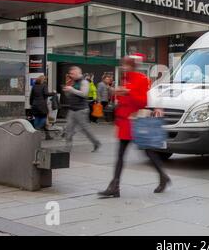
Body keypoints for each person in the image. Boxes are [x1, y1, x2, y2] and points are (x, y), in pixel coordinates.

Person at [99, 54, 171, 198]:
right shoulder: (126, 79)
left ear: (132, 65)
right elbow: (122, 100)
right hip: (125, 122)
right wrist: (118, 93)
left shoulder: (141, 79)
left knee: (148, 152)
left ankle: (162, 176)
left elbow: (143, 101)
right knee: (123, 154)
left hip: (135, 123)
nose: (123, 67)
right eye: (123, 64)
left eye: (126, 64)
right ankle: (115, 186)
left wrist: (128, 92)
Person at [63, 66, 101, 152]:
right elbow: (70, 96)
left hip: (81, 110)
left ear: (77, 73)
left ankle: (96, 142)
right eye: (70, 74)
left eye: (72, 74)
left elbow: (84, 94)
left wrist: (71, 89)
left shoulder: (84, 82)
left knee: (85, 129)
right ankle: (67, 148)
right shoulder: (73, 82)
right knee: (69, 129)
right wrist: (67, 91)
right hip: (72, 110)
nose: (71, 75)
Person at [30, 75, 54, 140]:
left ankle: (35, 131)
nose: (46, 81)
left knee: (37, 118)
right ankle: (38, 129)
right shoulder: (44, 85)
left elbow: (31, 96)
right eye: (45, 80)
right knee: (44, 117)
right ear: (43, 80)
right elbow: (46, 93)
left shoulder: (34, 86)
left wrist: (31, 104)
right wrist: (53, 93)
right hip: (42, 105)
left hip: (35, 105)